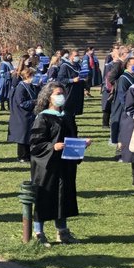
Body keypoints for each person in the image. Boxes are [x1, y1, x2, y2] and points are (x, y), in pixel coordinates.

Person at [28, 82, 89, 245]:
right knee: (45, 197)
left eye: (62, 93)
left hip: (65, 164)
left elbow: (72, 138)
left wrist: (82, 144)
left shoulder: (67, 116)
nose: (61, 96)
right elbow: (35, 144)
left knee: (64, 197)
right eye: (57, 93)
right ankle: (38, 232)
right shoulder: (42, 117)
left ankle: (62, 232)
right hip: (46, 166)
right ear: (48, 97)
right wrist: (52, 146)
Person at [7, 65, 38, 163]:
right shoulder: (21, 87)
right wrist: (34, 102)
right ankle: (22, 156)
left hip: (30, 114)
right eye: (33, 75)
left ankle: (29, 155)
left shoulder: (31, 86)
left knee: (29, 135)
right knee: (23, 136)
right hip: (22, 115)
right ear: (28, 76)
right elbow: (21, 103)